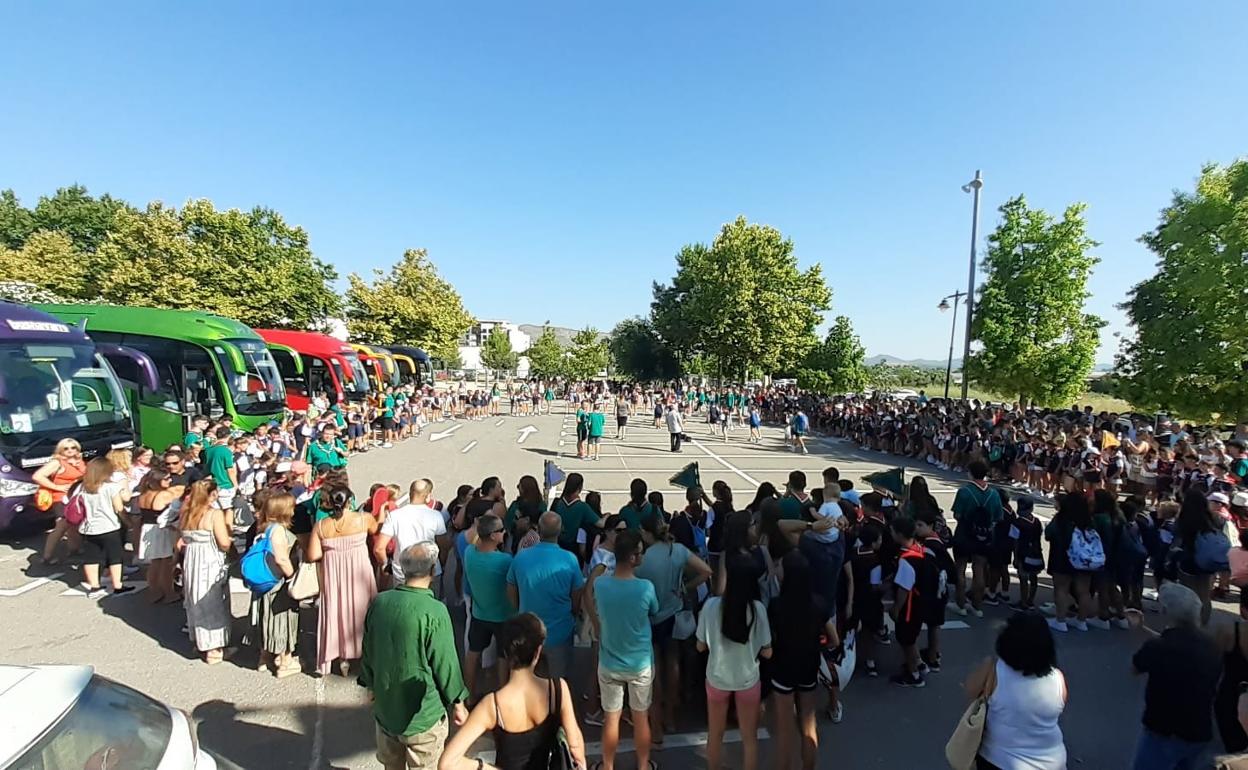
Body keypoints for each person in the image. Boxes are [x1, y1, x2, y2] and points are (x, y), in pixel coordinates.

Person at [360, 542, 469, 770]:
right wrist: (458, 702)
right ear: (432, 570)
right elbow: (445, 664)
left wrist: (370, 685)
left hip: (386, 710)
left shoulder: (380, 602)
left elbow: (369, 648)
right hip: (423, 715)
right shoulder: (435, 610)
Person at [438, 613, 587, 770]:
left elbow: (447, 763)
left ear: (506, 653)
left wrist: (486, 767)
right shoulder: (557, 690)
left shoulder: (492, 705)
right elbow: (575, 745)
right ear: (537, 652)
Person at [1128, 582, 1223, 770]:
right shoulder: (1211, 644)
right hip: (1199, 730)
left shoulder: (1159, 647)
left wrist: (1139, 633)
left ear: (1165, 611)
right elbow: (1175, 645)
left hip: (1164, 730)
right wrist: (1143, 629)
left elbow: (1135, 668)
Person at [637, 512, 712, 746]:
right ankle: (671, 713)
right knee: (673, 662)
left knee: (655, 668)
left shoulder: (643, 559)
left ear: (647, 533)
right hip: (673, 610)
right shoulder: (676, 550)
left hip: (650, 615)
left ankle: (658, 718)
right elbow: (706, 571)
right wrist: (685, 587)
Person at [964, 612, 1068, 770]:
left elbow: (970, 690)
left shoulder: (994, 669)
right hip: (1052, 762)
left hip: (1000, 759)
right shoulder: (1057, 678)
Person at [593, 530, 659, 770]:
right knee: (641, 717)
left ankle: (607, 765)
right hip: (639, 662)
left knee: (611, 718)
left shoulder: (601, 585)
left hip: (610, 660)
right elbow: (654, 610)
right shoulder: (645, 588)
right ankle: (643, 765)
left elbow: (592, 590)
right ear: (632, 558)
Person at [697, 561, 773, 770]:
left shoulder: (711, 606)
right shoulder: (757, 609)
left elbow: (700, 646)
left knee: (715, 734)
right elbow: (767, 651)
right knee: (749, 739)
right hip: (748, 680)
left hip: (717, 678)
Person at [769, 551, 837, 769]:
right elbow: (834, 639)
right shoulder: (818, 603)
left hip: (782, 668)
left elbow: (770, 639)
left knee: (784, 730)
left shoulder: (776, 605)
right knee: (808, 725)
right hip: (808, 665)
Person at [307, 485, 378, 676]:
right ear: (349, 501)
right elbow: (375, 529)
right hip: (359, 572)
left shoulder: (321, 526)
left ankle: (343, 659)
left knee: (337, 612)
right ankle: (367, 656)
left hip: (334, 575)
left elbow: (313, 554)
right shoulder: (363, 519)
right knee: (363, 611)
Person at [506, 512, 586, 679]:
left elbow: (511, 590)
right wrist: (573, 613)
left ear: (539, 530)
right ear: (560, 531)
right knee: (559, 680)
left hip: (528, 631)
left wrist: (520, 611)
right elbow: (577, 595)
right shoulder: (570, 559)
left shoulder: (521, 557)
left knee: (528, 679)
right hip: (560, 631)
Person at [179, 478, 233, 664]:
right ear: (211, 494)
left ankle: (199, 642)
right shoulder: (213, 514)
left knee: (195, 598)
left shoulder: (186, 512)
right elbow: (224, 542)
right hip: (209, 559)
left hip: (192, 558)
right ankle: (214, 648)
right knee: (212, 600)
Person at [462, 514, 516, 701]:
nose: (504, 532)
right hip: (503, 615)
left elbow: (473, 541)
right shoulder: (505, 560)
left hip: (479, 613)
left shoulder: (469, 552)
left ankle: (469, 694)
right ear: (493, 536)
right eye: (501, 530)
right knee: (503, 655)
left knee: (473, 653)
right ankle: (502, 695)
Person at [249, 492, 300, 677]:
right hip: (278, 582)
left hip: (265, 583)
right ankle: (285, 662)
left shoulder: (264, 528)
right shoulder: (278, 531)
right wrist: (292, 576)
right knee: (282, 620)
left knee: (266, 618)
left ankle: (265, 657)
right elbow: (281, 558)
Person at [74, 457, 133, 597]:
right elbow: (119, 508)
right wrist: (127, 522)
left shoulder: (83, 487)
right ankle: (117, 585)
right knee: (115, 557)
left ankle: (94, 587)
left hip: (88, 528)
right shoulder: (111, 487)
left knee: (91, 557)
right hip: (109, 526)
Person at [951, 460, 1004, 617]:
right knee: (979, 568)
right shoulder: (994, 494)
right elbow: (998, 517)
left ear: (971, 473)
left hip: (964, 532)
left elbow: (957, 514)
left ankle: (960, 604)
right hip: (984, 534)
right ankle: (977, 606)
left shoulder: (965, 491)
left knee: (960, 568)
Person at [375, 479, 449, 587]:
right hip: (428, 572)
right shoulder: (436, 516)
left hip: (402, 573)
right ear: (428, 496)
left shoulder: (394, 516)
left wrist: (385, 564)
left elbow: (379, 548)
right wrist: (441, 563)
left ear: (410, 494)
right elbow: (444, 545)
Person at [36, 437, 87, 565]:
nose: (70, 450)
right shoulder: (57, 462)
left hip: (76, 497)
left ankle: (74, 549)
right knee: (61, 526)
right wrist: (56, 487)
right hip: (61, 499)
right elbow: (37, 476)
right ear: (60, 450)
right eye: (66, 448)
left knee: (74, 524)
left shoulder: (79, 461)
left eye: (73, 447)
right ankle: (47, 556)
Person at [136, 469, 180, 604]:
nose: (170, 481)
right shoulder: (164, 495)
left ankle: (154, 591)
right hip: (161, 530)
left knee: (155, 563)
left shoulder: (143, 495)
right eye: (166, 479)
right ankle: (169, 593)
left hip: (148, 528)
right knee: (166, 563)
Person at [1214, 614, 1248, 754]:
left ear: (1243, 609)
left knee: (1234, 752)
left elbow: (1213, 662)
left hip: (1230, 698)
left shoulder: (1229, 631)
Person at [203, 426, 238, 513]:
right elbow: (230, 470)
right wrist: (236, 485)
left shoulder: (208, 450)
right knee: (228, 511)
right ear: (229, 436)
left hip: (213, 485)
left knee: (214, 511)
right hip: (226, 485)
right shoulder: (226, 451)